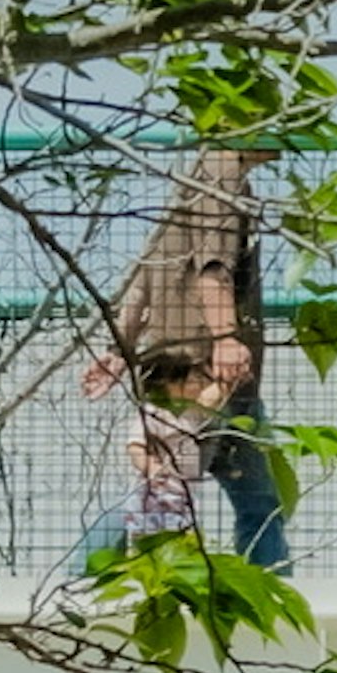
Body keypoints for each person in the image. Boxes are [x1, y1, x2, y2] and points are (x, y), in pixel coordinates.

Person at [86, 149, 288, 568]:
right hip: (208, 371)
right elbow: (212, 270)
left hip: (170, 366)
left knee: (156, 487)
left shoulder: (188, 182)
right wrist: (227, 339)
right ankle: (271, 589)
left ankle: (84, 574)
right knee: (254, 502)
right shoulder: (221, 178)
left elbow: (144, 277)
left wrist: (119, 349)